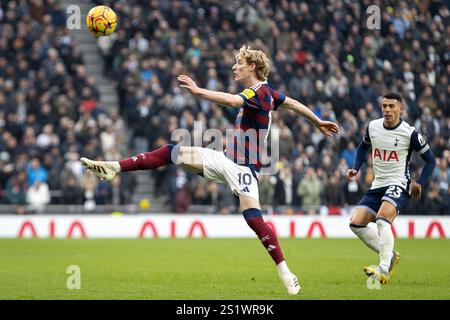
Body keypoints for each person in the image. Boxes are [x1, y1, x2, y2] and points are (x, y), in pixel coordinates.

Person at [80, 45, 339, 295]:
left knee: (253, 219)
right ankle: (115, 167)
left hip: (243, 169)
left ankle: (285, 271)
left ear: (252, 66)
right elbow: (293, 103)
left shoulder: (258, 93)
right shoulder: (269, 93)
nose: (234, 67)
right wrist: (316, 121)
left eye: (239, 63)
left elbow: (231, 100)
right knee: (173, 152)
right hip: (225, 160)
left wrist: (198, 91)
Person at [347, 92, 436, 284]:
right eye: (384, 106)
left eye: (391, 106)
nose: (387, 110)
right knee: (356, 223)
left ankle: (384, 268)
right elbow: (363, 147)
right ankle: (391, 256)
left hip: (399, 182)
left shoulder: (409, 132)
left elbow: (430, 160)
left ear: (400, 109)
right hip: (378, 184)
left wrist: (419, 182)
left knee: (382, 219)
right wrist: (356, 167)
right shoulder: (373, 127)